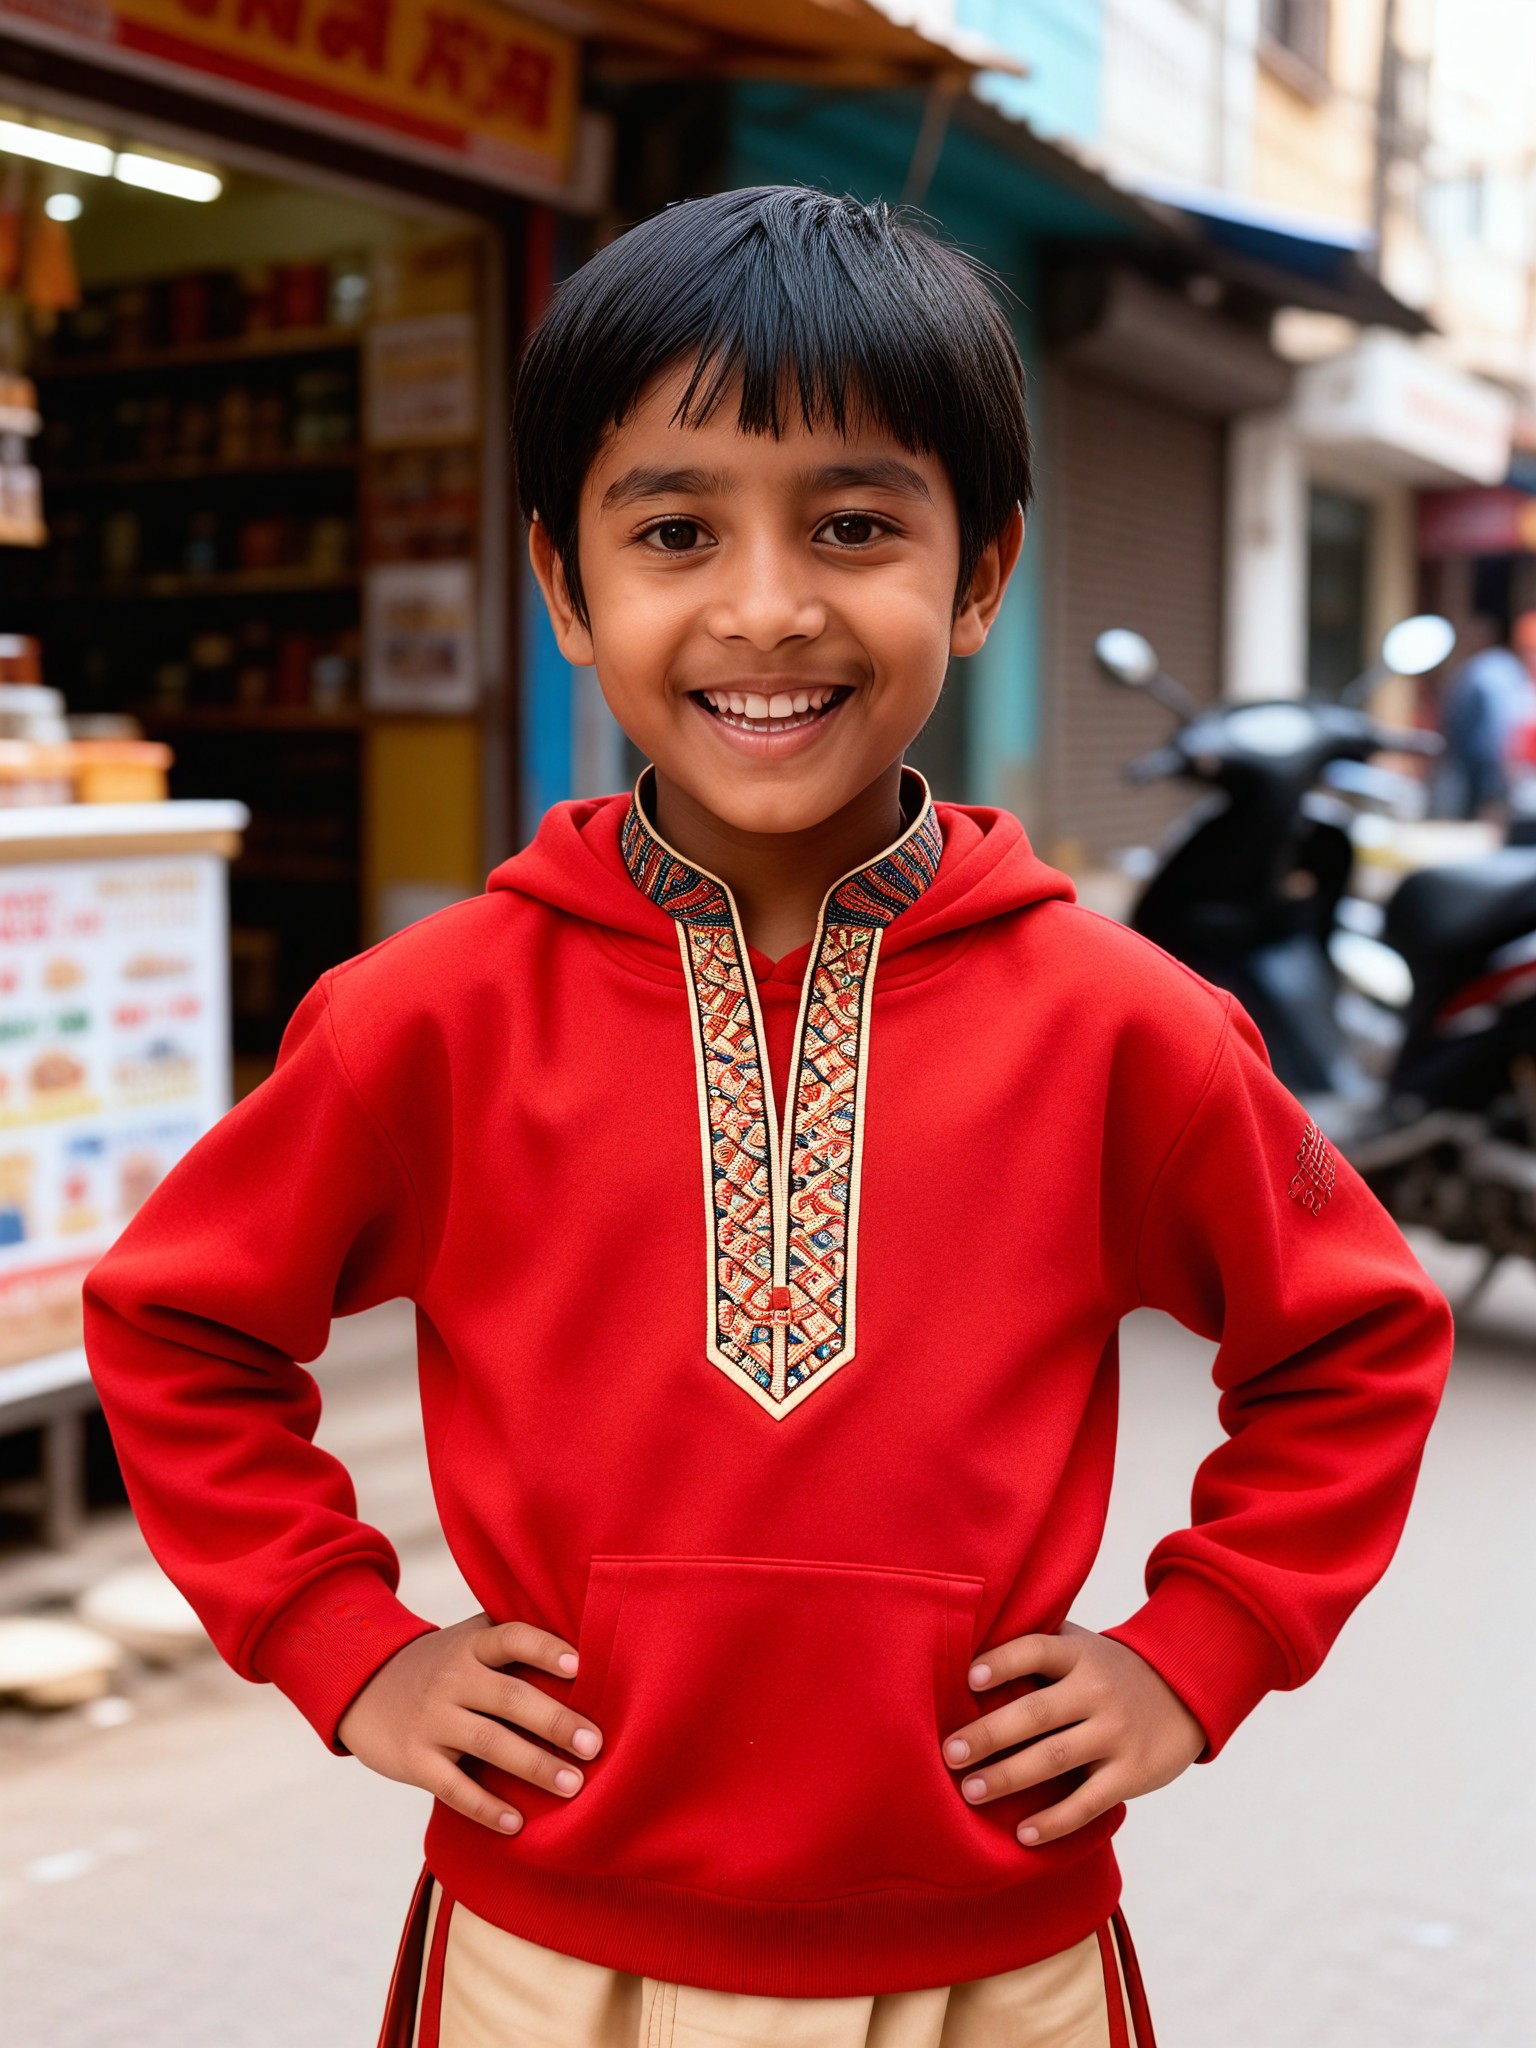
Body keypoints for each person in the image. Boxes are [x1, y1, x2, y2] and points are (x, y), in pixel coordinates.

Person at [83, 188, 1454, 2048]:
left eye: (857, 525)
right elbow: (180, 1320)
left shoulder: (1129, 1026)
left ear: (981, 576)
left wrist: (1197, 1647)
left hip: (996, 1946)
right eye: (672, 529)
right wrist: (352, 1643)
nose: (765, 606)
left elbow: (1354, 1339)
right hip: (547, 1947)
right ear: (566, 584)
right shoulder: (425, 1017)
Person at [1432, 612, 1536, 818]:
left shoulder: (1521, 682)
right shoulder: (1495, 675)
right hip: (1479, 792)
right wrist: (1495, 797)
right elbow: (1494, 742)